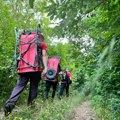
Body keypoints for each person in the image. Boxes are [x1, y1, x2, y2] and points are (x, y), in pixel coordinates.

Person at [4, 30, 48, 116]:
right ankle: (30, 108)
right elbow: (44, 55)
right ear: (40, 36)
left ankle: (10, 104)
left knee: (19, 86)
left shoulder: (24, 41)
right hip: (35, 68)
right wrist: (46, 67)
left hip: (23, 68)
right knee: (34, 88)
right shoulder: (42, 44)